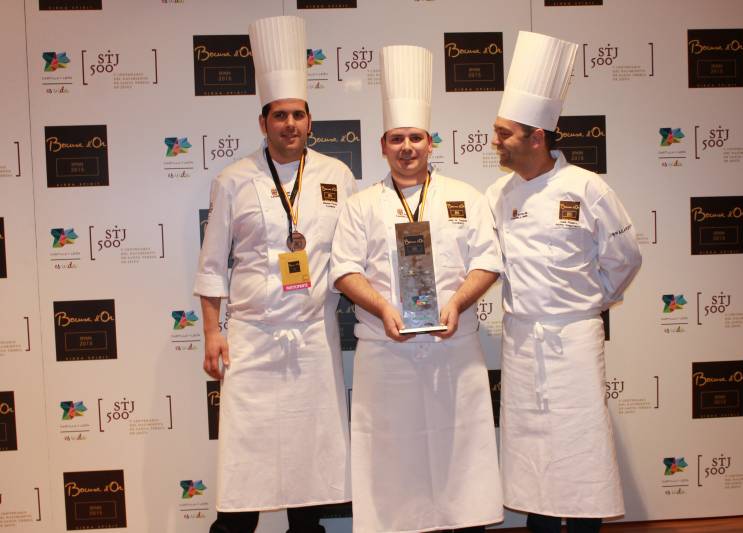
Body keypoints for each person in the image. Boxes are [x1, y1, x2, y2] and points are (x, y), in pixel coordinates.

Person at [329, 44, 503, 533]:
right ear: (382, 145)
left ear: (432, 143)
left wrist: (457, 302)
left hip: (455, 348)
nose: (407, 147)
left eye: (416, 137)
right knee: (392, 453)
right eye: (397, 138)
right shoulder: (361, 206)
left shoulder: (464, 197)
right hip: (387, 352)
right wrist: (384, 306)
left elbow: (488, 261)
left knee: (460, 450)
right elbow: (343, 270)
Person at [194, 15, 355, 533]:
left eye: (299, 115)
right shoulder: (234, 180)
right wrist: (212, 332)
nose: (290, 124)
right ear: (263, 122)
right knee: (246, 467)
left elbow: (356, 255)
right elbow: (212, 265)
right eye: (279, 115)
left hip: (311, 340)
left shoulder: (337, 176)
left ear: (311, 121)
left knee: (310, 466)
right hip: (252, 340)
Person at [485, 31, 642, 533]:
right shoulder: (497, 195)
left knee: (581, 445)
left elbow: (624, 256)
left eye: (505, 133)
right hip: (522, 338)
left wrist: (595, 300)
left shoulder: (588, 188)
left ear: (536, 137)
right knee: (531, 448)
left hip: (574, 338)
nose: (496, 141)